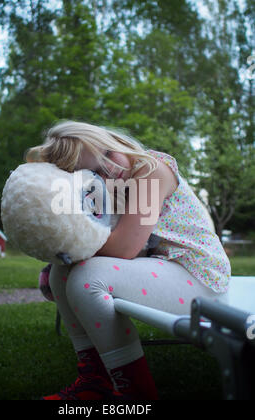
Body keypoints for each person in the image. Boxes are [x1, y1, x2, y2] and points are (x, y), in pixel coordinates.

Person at [25, 120, 231, 400]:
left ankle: (136, 394)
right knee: (62, 273)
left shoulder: (151, 172)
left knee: (87, 278)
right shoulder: (112, 191)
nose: (110, 169)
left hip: (200, 278)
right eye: (95, 172)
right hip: (164, 269)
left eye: (108, 155)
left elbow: (124, 249)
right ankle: (94, 381)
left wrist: (70, 245)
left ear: (116, 141)